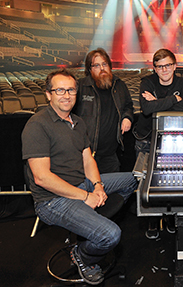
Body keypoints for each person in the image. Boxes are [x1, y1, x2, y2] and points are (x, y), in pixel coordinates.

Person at [22, 69, 137, 286]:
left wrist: (98, 186)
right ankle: (82, 255)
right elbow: (42, 178)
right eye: (60, 90)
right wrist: (86, 196)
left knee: (132, 178)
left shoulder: (78, 122)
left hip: (80, 185)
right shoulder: (37, 125)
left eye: (71, 90)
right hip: (52, 200)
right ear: (48, 94)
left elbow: (88, 161)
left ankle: (90, 223)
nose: (66, 95)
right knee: (111, 236)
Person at [133, 48, 183, 238]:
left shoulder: (182, 82)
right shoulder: (147, 82)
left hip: (171, 139)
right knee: (146, 183)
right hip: (146, 139)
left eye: (168, 65)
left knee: (169, 182)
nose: (164, 70)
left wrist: (158, 102)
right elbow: (146, 109)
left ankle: (169, 217)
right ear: (154, 68)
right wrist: (172, 100)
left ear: (175, 66)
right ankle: (152, 221)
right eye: (160, 67)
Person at [73, 48, 134, 174]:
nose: (101, 68)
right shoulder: (80, 86)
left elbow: (128, 105)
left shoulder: (119, 85)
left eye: (104, 64)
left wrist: (127, 117)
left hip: (111, 155)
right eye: (96, 65)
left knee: (111, 190)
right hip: (85, 154)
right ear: (89, 70)